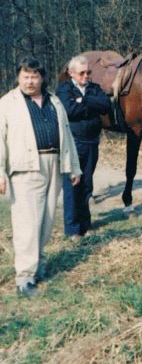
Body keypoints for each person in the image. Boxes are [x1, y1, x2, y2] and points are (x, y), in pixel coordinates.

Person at [0, 57, 81, 297]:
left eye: (34, 76)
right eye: (25, 76)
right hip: (25, 167)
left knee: (46, 219)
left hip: (53, 163)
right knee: (27, 223)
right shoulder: (7, 103)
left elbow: (66, 134)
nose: (30, 81)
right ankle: (24, 278)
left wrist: (73, 167)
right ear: (18, 77)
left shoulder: (53, 101)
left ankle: (38, 266)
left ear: (42, 78)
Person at [56, 55, 111, 242]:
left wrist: (83, 101)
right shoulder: (64, 90)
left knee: (87, 184)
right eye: (82, 73)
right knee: (72, 185)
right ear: (71, 73)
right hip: (72, 143)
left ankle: (86, 225)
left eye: (88, 72)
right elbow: (69, 110)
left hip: (91, 142)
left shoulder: (94, 88)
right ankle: (72, 229)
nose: (86, 76)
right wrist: (90, 104)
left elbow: (106, 106)